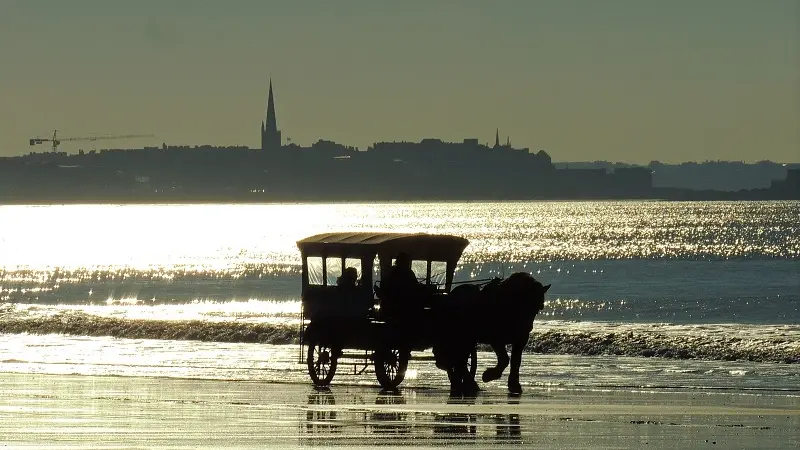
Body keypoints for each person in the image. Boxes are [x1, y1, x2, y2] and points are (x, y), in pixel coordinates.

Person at [380, 252, 420, 320]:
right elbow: (415, 287)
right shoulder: (408, 273)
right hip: (402, 306)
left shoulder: (392, 272)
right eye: (407, 262)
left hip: (392, 306)